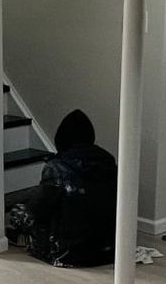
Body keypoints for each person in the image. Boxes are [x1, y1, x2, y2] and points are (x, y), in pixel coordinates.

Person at [23, 109, 116, 266]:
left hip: (69, 254)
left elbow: (38, 209)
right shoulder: (107, 161)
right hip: (109, 249)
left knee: (23, 210)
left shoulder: (57, 168)